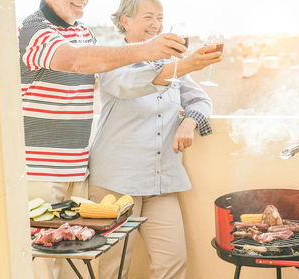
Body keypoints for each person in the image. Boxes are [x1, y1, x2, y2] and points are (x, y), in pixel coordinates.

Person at [18, 1, 186, 278]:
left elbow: (107, 71)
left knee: (74, 269)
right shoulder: (34, 29)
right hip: (40, 172)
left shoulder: (84, 33)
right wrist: (149, 48)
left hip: (78, 171)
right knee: (45, 269)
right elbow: (76, 60)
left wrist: (168, 102)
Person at [87, 0, 221, 278]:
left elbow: (201, 99)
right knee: (114, 269)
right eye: (148, 17)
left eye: (160, 17)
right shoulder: (112, 58)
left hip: (162, 181)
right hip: (117, 182)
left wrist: (189, 122)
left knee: (173, 264)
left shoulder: (168, 62)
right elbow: (130, 86)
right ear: (126, 21)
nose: (156, 24)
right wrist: (184, 66)